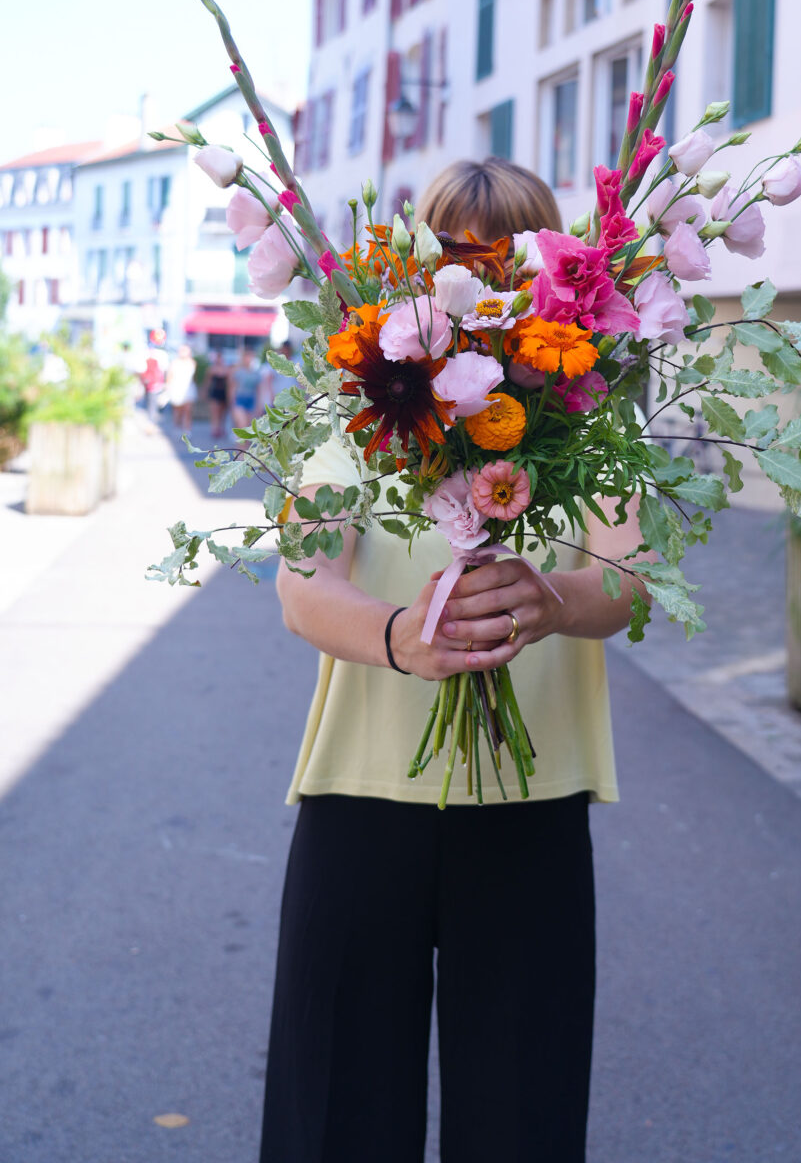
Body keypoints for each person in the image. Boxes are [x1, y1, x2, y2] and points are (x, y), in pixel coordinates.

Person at [259, 159, 651, 1163]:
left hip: (532, 801)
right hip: (361, 795)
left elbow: (629, 580)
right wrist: (404, 638)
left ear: (548, 268)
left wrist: (550, 599)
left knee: (521, 1121)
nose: (482, 270)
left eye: (509, 252)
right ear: (421, 261)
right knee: (338, 1117)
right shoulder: (355, 387)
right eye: (458, 250)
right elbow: (305, 583)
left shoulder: (595, 409)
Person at [230, 346, 263, 432]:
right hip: (240, 399)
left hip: (251, 400)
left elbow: (258, 390)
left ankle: (244, 445)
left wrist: (259, 405)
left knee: (249, 428)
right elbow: (232, 388)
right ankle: (240, 445)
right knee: (242, 425)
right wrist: (232, 404)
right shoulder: (238, 372)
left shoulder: (256, 373)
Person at [165, 343, 197, 430]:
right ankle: (177, 427)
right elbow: (169, 376)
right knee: (178, 411)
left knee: (188, 410)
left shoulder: (192, 363)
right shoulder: (174, 363)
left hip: (188, 389)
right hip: (177, 389)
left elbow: (193, 377)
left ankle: (187, 429)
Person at [203, 348, 231, 440]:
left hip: (223, 393)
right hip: (214, 392)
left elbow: (229, 383)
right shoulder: (211, 369)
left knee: (222, 413)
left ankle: (221, 428)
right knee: (215, 412)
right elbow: (208, 382)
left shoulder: (226, 369)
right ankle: (214, 428)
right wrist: (205, 392)